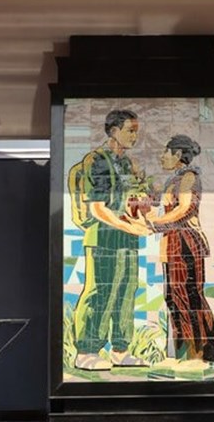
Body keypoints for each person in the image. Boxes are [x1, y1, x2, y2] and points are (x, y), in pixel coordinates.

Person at [72, 109, 151, 371]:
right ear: (114, 131)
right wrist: (129, 227)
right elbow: (97, 208)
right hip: (102, 236)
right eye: (130, 130)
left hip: (126, 237)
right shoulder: (97, 160)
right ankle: (86, 351)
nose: (134, 136)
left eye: (136, 131)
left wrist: (139, 214)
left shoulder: (127, 164)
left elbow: (128, 201)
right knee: (100, 292)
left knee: (126, 291)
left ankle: (120, 349)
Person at [142, 135, 214, 363]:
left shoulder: (189, 177)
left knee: (188, 297)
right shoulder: (174, 180)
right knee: (174, 297)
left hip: (185, 242)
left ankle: (198, 353)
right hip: (172, 243)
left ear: (177, 155)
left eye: (166, 152)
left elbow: (184, 210)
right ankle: (187, 353)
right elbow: (162, 204)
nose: (161, 156)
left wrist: (155, 224)